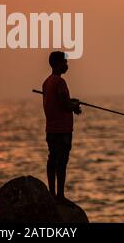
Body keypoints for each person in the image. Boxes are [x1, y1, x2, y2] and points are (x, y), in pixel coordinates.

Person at [42, 51, 82, 205]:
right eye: (65, 62)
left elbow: (56, 102)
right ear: (58, 64)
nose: (67, 65)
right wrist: (75, 106)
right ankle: (60, 195)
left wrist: (71, 104)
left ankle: (52, 193)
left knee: (52, 159)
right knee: (62, 162)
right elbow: (65, 105)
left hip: (51, 129)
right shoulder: (60, 82)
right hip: (63, 130)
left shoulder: (47, 82)